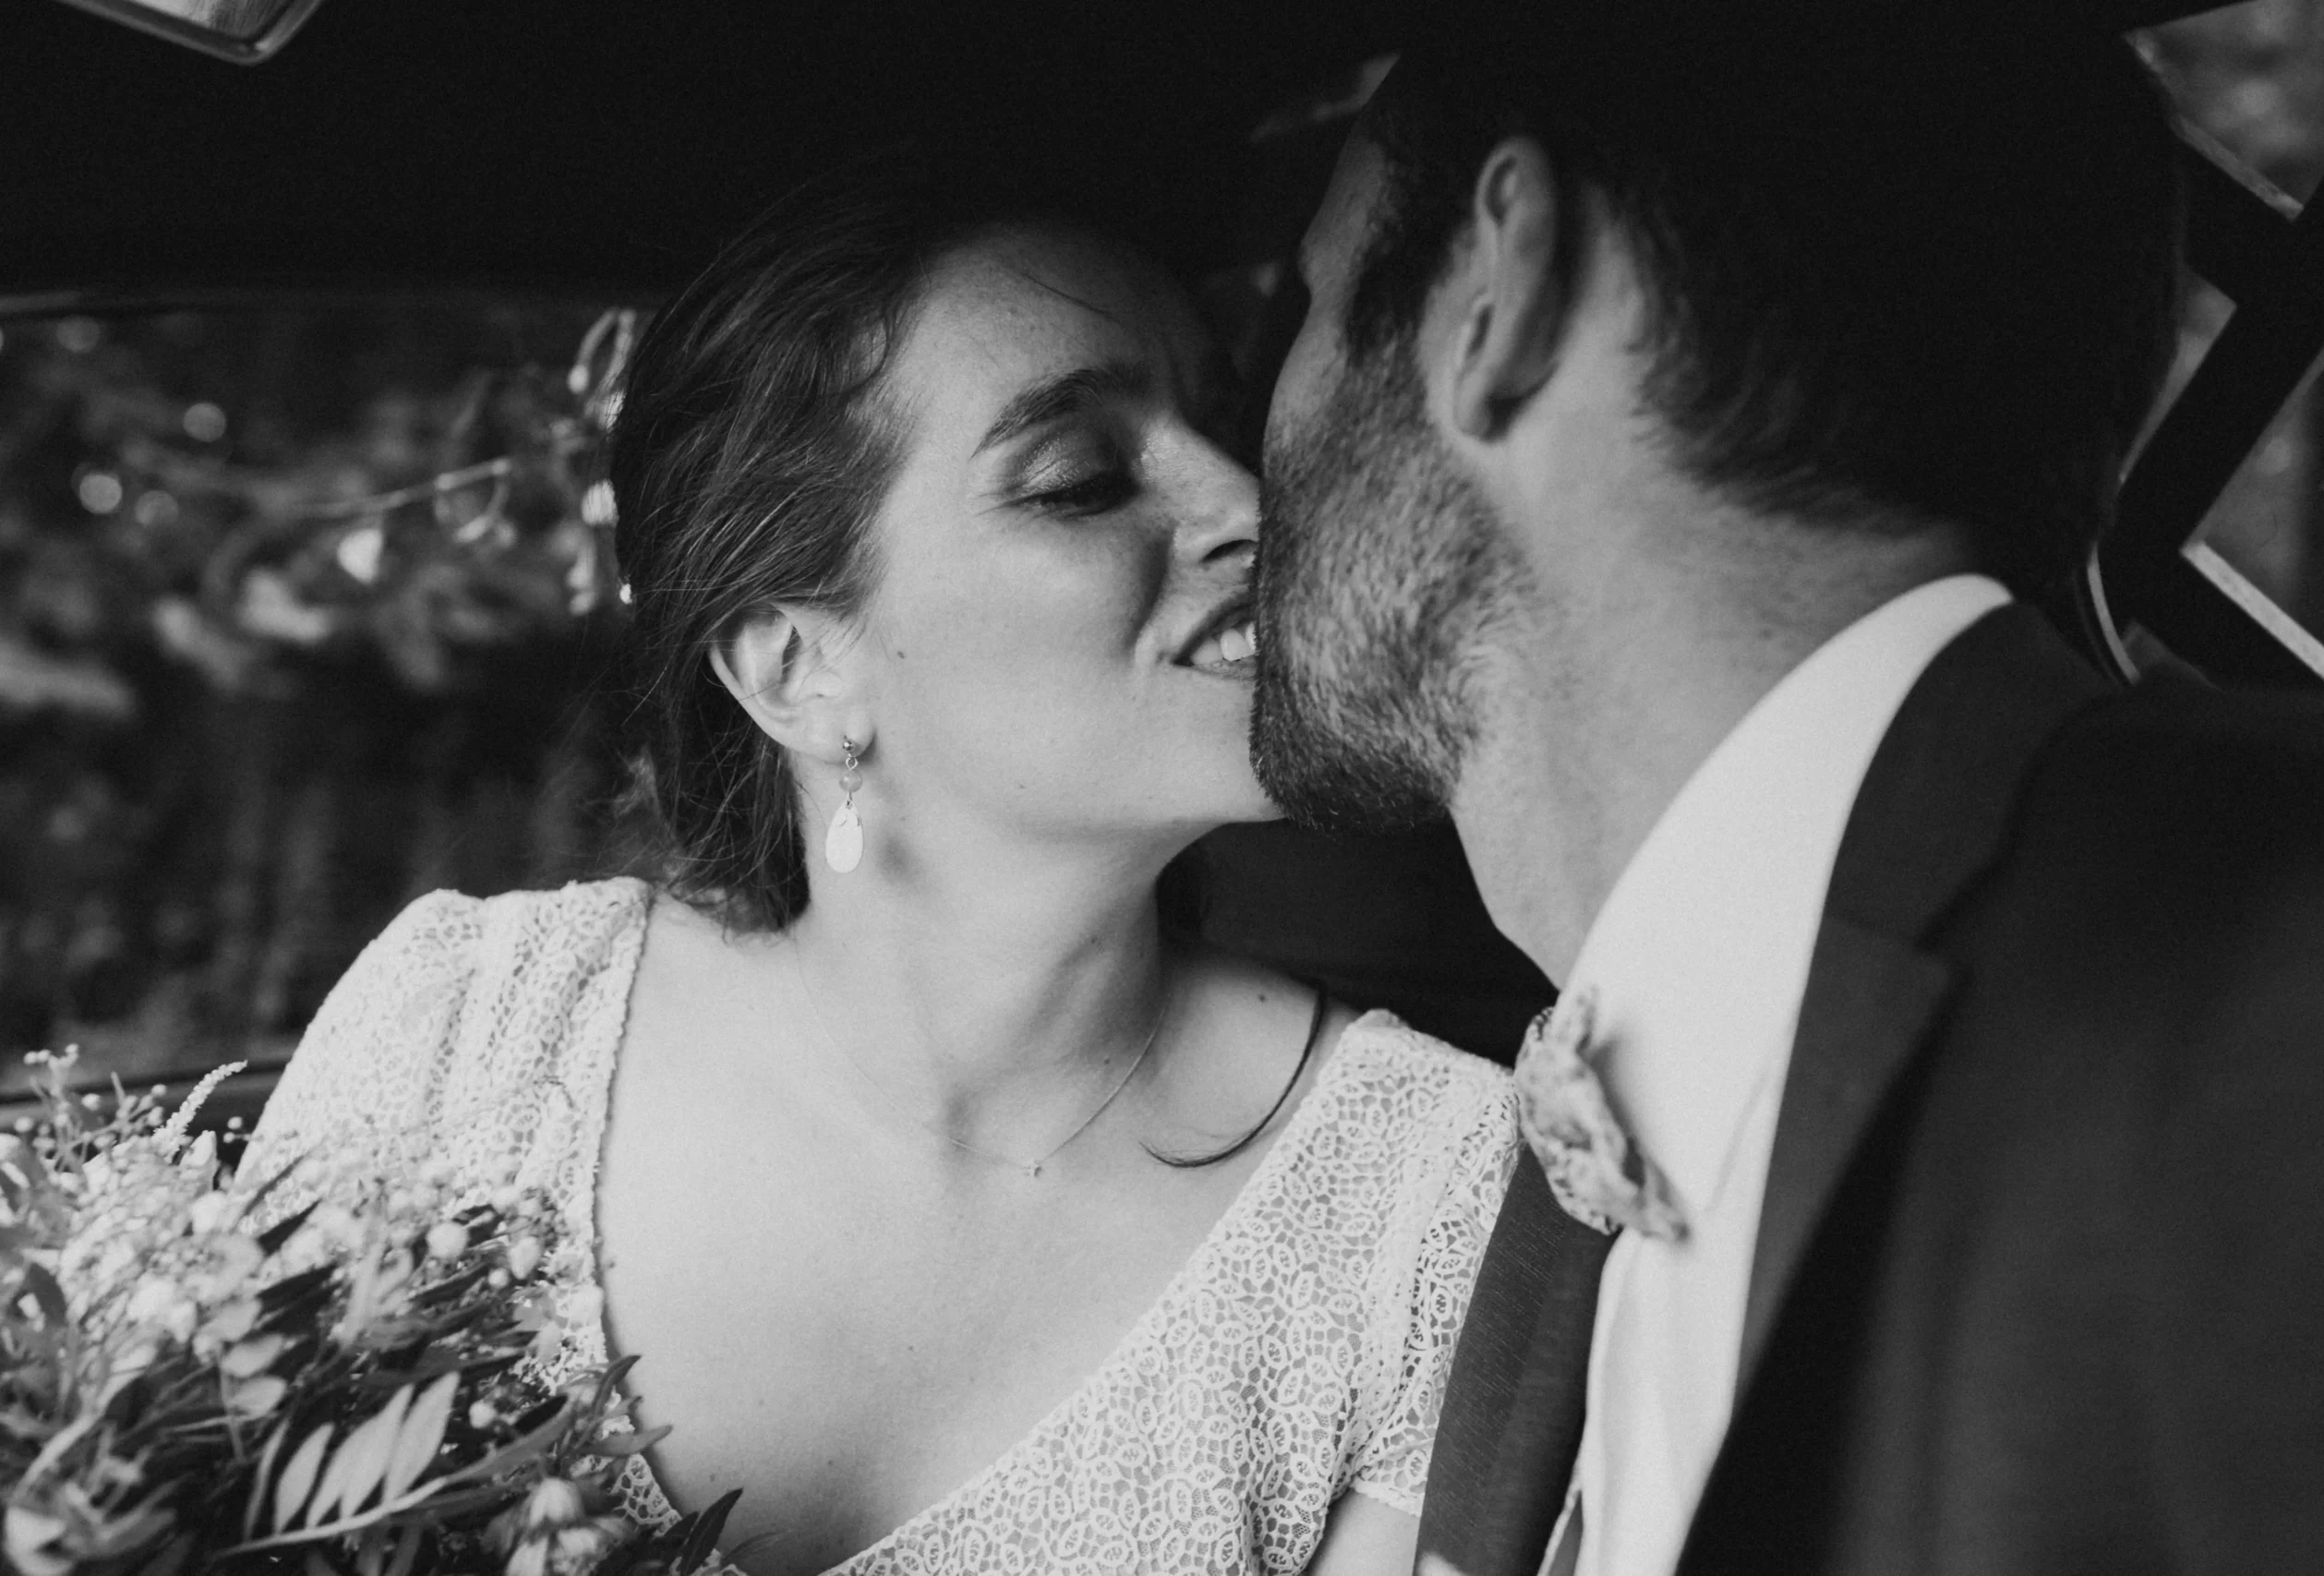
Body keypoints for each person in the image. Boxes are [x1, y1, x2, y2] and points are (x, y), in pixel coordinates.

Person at [242, 154, 1522, 1576]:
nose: (1250, 505)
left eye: (1226, 427)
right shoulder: (464, 1034)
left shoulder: (1427, 1205)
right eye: (1083, 479)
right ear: (797, 669)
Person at [1251, 5, 2324, 1575]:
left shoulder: (2290, 962)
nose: (1253, 444)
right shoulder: (1569, 1177)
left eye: (1302, 312)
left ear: (1499, 290)